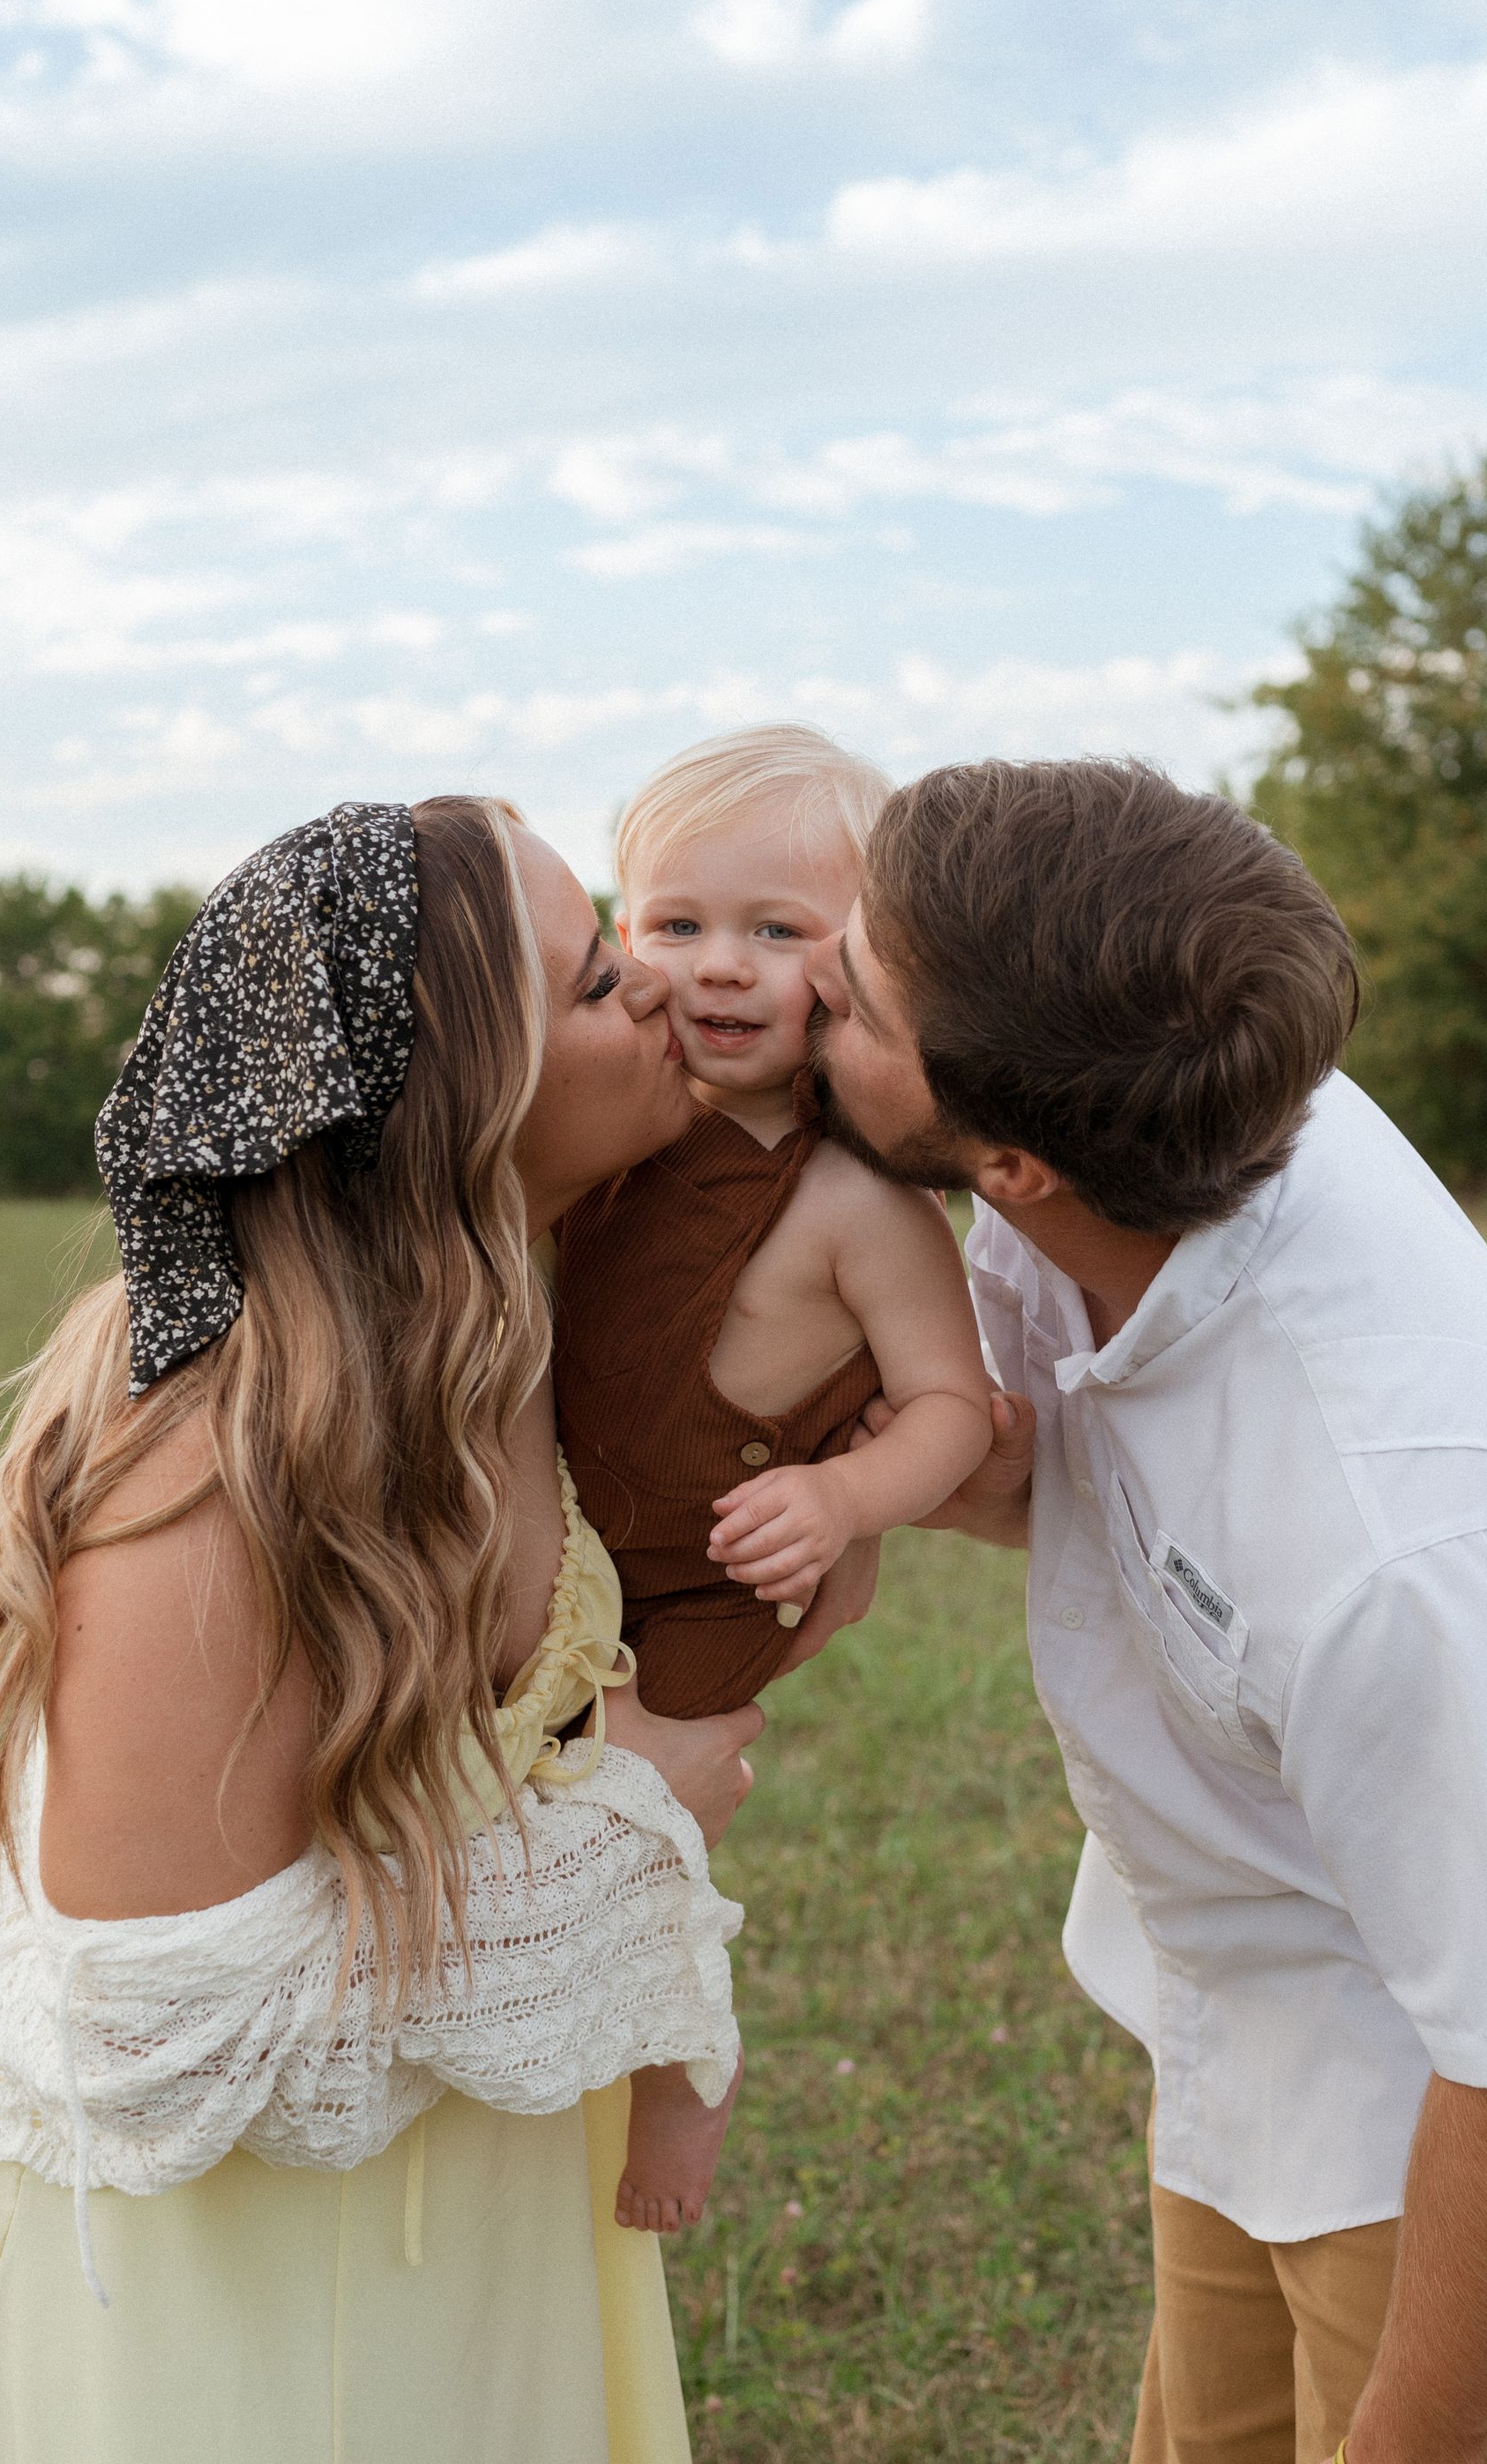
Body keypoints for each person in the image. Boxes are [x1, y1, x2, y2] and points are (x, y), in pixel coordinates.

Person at [0, 796, 766, 2464]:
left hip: (468, 2200)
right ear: (456, 1109)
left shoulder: (505, 1315)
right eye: (604, 980)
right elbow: (147, 2038)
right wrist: (637, 1823)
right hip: (250, 2306)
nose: (667, 992)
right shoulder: (221, 1468)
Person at [807, 756, 1487, 2463]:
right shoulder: (1140, 1101)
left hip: (1454, 2142)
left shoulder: (1407, 1538)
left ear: (1007, 1160)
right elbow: (1142, 1516)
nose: (814, 982)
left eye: (857, 989)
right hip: (1237, 2043)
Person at [554, 724, 992, 2235]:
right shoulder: (606, 1130)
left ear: (859, 965)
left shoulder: (856, 1198)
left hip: (714, 1574)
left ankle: (682, 2074)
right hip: (551, 1545)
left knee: (642, 1835)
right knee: (507, 1817)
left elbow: (955, 1404)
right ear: (623, 937)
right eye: (677, 924)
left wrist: (848, 1503)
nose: (721, 966)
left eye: (777, 931)